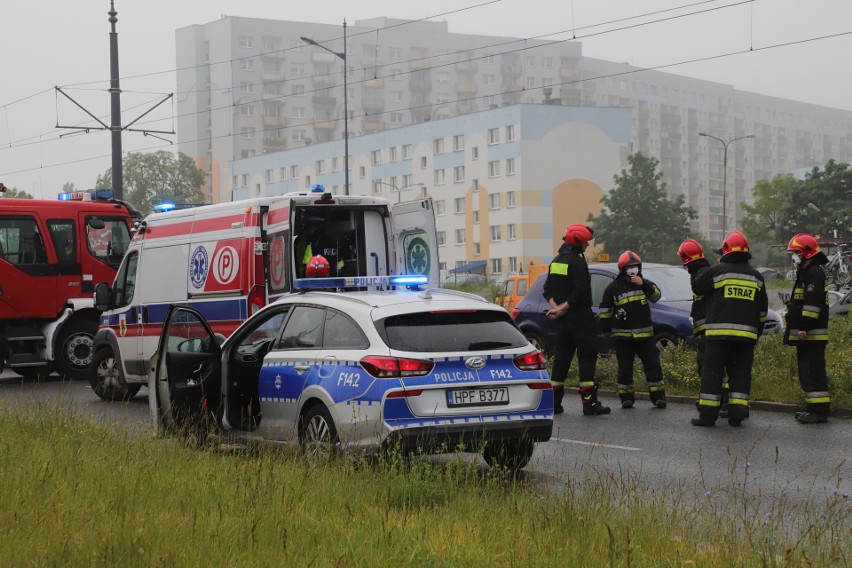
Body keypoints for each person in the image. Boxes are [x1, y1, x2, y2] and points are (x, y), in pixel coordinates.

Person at [690, 231, 768, 427]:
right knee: (740, 374)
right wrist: (755, 333)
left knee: (712, 373)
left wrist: (714, 265)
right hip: (746, 338)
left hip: (718, 336)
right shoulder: (757, 277)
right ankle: (737, 414)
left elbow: (698, 287)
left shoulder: (717, 271)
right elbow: (762, 311)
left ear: (725, 250)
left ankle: (708, 416)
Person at [542, 224, 610, 416]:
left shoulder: (555, 261)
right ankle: (589, 403)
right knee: (587, 358)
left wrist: (557, 308)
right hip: (580, 318)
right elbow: (578, 294)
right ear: (578, 243)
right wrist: (563, 308)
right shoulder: (578, 263)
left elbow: (547, 290)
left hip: (562, 322)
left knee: (561, 360)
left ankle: (554, 403)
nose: (588, 245)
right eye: (586, 242)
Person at [600, 251, 667, 409]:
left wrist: (642, 283)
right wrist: (606, 330)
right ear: (623, 269)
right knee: (625, 369)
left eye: (635, 266)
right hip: (623, 337)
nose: (633, 269)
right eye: (629, 267)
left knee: (653, 367)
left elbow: (656, 296)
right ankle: (626, 398)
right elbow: (605, 311)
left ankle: (658, 398)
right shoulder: (613, 288)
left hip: (645, 337)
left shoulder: (645, 283)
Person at [784, 233, 831, 424]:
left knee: (813, 373)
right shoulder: (808, 271)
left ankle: (819, 411)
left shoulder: (814, 274)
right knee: (808, 373)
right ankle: (813, 407)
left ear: (806, 253)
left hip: (811, 335)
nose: (793, 256)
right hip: (808, 335)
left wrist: (803, 327)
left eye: (795, 252)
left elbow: (812, 305)